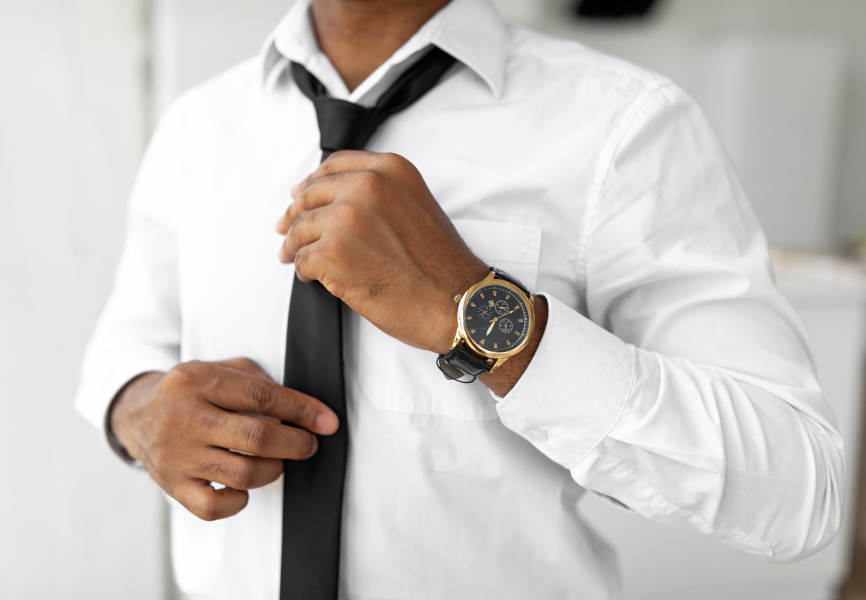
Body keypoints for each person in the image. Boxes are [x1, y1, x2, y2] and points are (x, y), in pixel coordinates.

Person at [75, 0, 845, 598]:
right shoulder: (198, 127)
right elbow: (129, 342)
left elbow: (797, 490)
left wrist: (472, 308)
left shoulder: (625, 127)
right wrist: (136, 410)